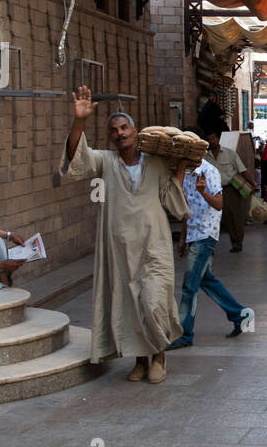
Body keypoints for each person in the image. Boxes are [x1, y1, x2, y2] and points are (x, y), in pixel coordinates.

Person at [62, 87, 189, 384]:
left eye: (124, 128)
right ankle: (140, 360)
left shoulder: (155, 162)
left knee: (153, 301)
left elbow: (173, 200)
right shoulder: (105, 162)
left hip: (154, 248)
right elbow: (76, 158)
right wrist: (79, 120)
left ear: (135, 131)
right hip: (119, 251)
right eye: (114, 130)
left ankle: (159, 356)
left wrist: (180, 168)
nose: (120, 134)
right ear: (110, 137)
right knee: (129, 304)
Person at [167, 133, 249, 350]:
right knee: (205, 280)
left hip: (205, 235)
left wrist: (203, 192)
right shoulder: (186, 173)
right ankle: (239, 314)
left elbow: (219, 204)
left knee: (189, 286)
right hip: (194, 233)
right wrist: (183, 237)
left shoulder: (208, 171)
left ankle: (185, 334)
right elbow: (185, 207)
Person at [206, 128, 256, 253]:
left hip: (229, 189)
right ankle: (209, 245)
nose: (211, 141)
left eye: (213, 138)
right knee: (213, 218)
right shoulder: (204, 156)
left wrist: (252, 184)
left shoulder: (230, 154)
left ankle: (237, 242)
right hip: (212, 190)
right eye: (209, 139)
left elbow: (242, 170)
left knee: (234, 217)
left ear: (218, 139)